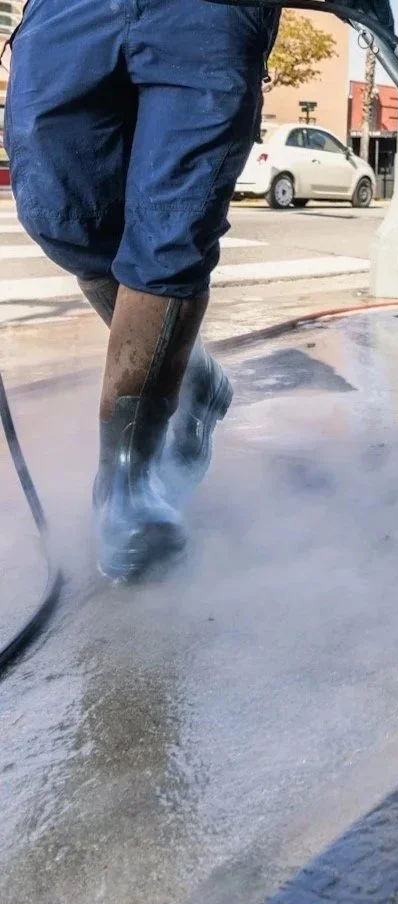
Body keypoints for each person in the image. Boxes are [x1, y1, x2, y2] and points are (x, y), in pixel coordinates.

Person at [2, 0, 281, 581]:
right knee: (60, 209)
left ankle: (128, 481)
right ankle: (193, 375)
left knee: (172, 227)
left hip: (212, 12)